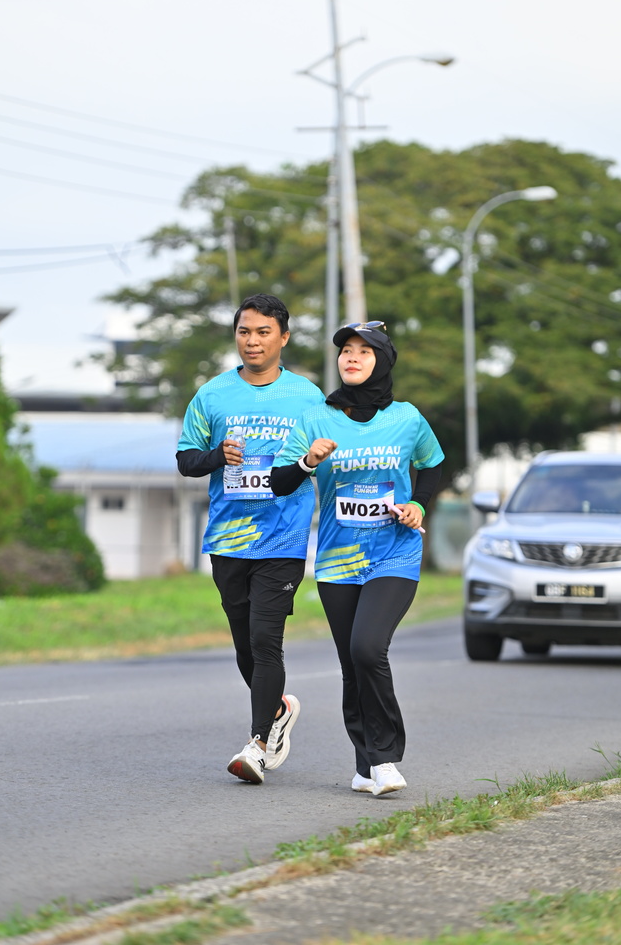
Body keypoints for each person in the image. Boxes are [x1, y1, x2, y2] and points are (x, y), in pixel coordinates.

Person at [271, 321, 444, 796]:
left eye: (364, 351)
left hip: (395, 554)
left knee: (368, 648)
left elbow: (432, 464)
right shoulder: (316, 418)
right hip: (338, 560)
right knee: (352, 663)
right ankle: (365, 766)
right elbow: (279, 482)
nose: (352, 357)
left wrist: (419, 504)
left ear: (382, 361)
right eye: (346, 349)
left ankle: (385, 758)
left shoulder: (407, 418)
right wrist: (308, 461)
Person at [176, 294, 324, 784]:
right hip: (228, 539)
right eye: (244, 332)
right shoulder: (212, 395)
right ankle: (278, 709)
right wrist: (217, 455)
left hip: (283, 538)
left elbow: (330, 459)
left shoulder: (308, 397)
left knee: (265, 639)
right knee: (244, 643)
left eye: (263, 332)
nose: (252, 341)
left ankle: (258, 745)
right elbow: (186, 460)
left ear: (284, 337)